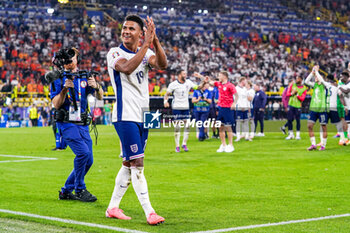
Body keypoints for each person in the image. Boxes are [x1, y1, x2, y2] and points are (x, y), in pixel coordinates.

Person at [106, 15, 167, 225]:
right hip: (125, 115)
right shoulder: (114, 53)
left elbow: (162, 64)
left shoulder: (147, 51)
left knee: (128, 162)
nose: (126, 31)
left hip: (146, 114)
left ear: (140, 33)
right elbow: (126, 68)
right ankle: (150, 212)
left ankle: (113, 207)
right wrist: (147, 44)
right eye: (124, 28)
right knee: (138, 163)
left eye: (131, 29)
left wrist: (155, 40)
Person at [51, 47, 104, 201]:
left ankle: (66, 191)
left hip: (82, 122)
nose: (69, 62)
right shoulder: (57, 79)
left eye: (71, 59)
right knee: (83, 154)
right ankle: (80, 189)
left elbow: (100, 96)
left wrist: (96, 86)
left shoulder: (84, 76)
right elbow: (56, 104)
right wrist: (65, 89)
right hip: (66, 122)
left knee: (89, 160)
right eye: (66, 60)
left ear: (77, 60)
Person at [164, 69, 197, 152]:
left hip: (186, 107)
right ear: (179, 75)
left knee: (188, 126)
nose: (185, 75)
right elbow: (167, 94)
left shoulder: (188, 82)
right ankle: (177, 145)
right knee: (177, 127)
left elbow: (197, 87)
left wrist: (203, 81)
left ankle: (184, 144)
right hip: (176, 107)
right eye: (184, 74)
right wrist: (165, 101)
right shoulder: (173, 84)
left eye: (186, 73)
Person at [211, 71, 238, 153]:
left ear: (224, 76)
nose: (218, 77)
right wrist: (200, 76)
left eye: (219, 76)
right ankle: (223, 145)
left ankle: (231, 145)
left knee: (228, 127)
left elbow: (236, 95)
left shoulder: (230, 85)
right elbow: (210, 82)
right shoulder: (219, 84)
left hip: (228, 108)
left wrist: (234, 103)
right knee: (220, 127)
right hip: (220, 108)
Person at [304, 65, 328, 150]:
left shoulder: (325, 85)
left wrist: (316, 71)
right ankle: (313, 144)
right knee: (309, 126)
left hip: (322, 109)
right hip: (313, 109)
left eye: (317, 77)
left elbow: (321, 80)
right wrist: (312, 72)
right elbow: (306, 81)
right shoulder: (315, 85)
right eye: (315, 77)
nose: (316, 78)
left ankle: (323, 145)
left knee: (323, 127)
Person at [285, 76, 307, 140]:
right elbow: (287, 94)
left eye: (298, 78)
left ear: (301, 79)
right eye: (296, 78)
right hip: (291, 104)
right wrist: (292, 93)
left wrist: (297, 94)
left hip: (298, 106)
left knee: (298, 120)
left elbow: (302, 99)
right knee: (289, 120)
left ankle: (298, 135)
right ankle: (291, 134)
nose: (296, 79)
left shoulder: (304, 88)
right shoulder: (292, 85)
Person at [235, 77, 250, 141]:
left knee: (246, 122)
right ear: (242, 81)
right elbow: (235, 99)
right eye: (245, 81)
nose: (246, 83)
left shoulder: (245, 89)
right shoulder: (236, 89)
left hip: (245, 108)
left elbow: (247, 99)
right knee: (238, 123)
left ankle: (246, 136)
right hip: (239, 108)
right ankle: (238, 136)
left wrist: (248, 106)